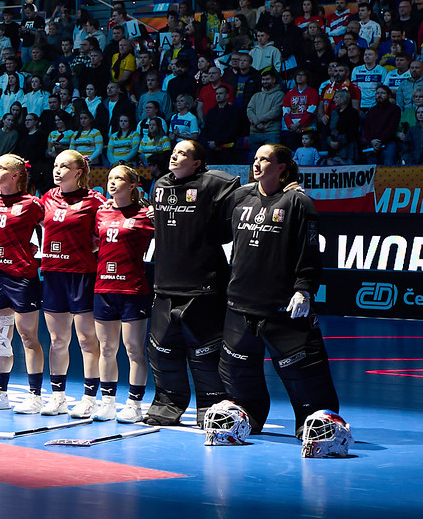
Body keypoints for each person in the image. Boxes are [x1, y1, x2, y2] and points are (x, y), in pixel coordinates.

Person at [219, 143, 341, 438]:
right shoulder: (240, 197)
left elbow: (309, 252)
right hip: (239, 304)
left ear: (282, 167)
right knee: (236, 371)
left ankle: (317, 423)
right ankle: (249, 417)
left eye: (265, 159)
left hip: (281, 306)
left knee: (305, 373)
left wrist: (304, 290)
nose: (257, 164)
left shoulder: (298, 202)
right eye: (256, 158)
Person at [144, 138, 241, 425]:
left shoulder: (217, 184)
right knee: (161, 352)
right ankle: (166, 405)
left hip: (203, 285)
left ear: (197, 163)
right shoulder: (160, 186)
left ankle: (211, 408)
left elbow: (230, 227)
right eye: (174, 152)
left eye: (183, 154)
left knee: (205, 354)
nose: (175, 157)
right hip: (164, 284)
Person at [36, 150, 102, 415]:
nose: (57, 170)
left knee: (87, 339)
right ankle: (58, 396)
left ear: (79, 172)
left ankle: (89, 398)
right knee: (57, 340)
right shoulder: (47, 198)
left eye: (64, 166)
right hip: (53, 274)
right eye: (55, 165)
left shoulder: (95, 201)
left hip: (82, 276)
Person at [0, 153, 46, 411]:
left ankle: (35, 395)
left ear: (16, 175)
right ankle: (0, 393)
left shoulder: (32, 204)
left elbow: (52, 227)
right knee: (0, 338)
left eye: (1, 168)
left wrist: (39, 249)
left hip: (22, 277)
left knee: (28, 337)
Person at [93, 164, 156, 420]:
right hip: (103, 288)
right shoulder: (101, 213)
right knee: (107, 348)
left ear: (132, 186)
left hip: (133, 288)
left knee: (133, 349)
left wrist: (158, 216)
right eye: (110, 177)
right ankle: (107, 402)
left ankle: (134, 403)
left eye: (119, 178)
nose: (112, 182)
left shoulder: (144, 215)